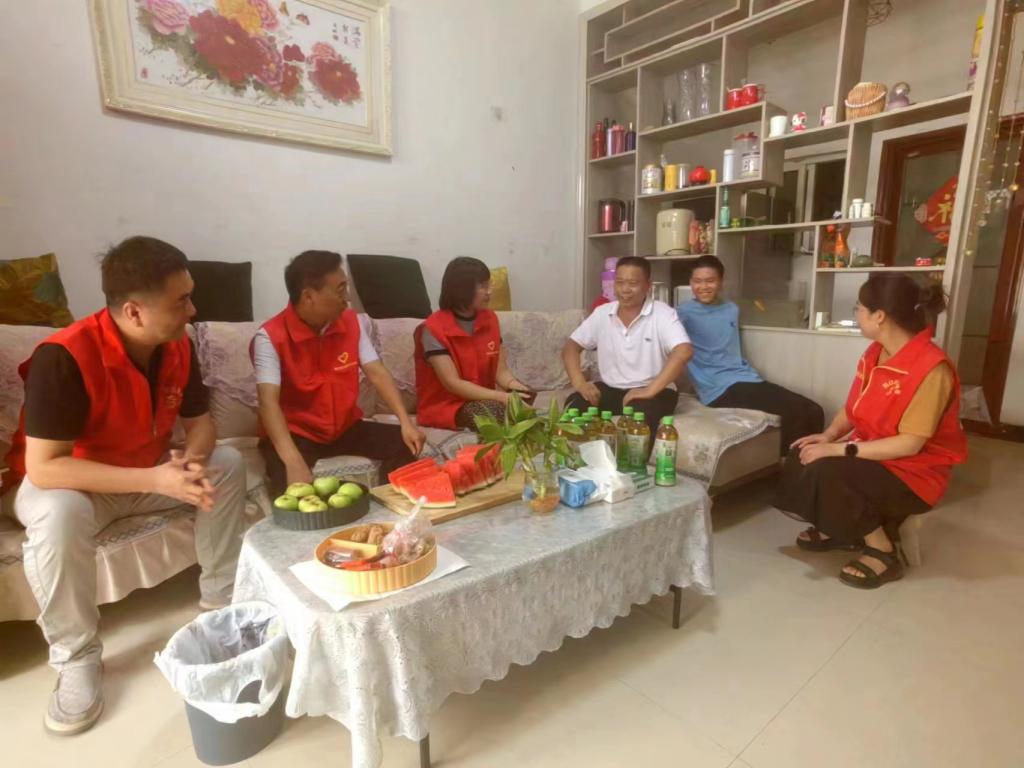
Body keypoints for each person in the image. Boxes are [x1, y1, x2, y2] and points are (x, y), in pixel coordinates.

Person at [0, 236, 247, 735]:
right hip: (73, 486)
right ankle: (75, 657)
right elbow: (45, 468)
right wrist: (156, 479)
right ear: (134, 312)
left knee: (227, 462)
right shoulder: (64, 356)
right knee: (60, 511)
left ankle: (221, 599)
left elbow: (201, 426)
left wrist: (190, 463)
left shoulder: (177, 346)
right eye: (182, 301)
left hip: (140, 472)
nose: (193, 311)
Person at [774, 273, 967, 589]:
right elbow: (853, 408)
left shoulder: (932, 369)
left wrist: (839, 449)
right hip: (876, 454)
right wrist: (828, 436)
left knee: (827, 470)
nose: (856, 314)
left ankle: (883, 552)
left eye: (859, 308)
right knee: (802, 452)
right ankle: (843, 529)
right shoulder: (875, 353)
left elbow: (910, 445)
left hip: (914, 473)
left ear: (879, 316)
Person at [254, 251, 425, 496]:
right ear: (309, 296)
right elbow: (268, 403)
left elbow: (376, 372)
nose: (348, 298)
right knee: (288, 487)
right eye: (341, 289)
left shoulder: (351, 322)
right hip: (297, 433)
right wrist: (293, 461)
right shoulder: (270, 337)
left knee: (405, 444)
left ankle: (388, 510)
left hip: (344, 428)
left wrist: (406, 422)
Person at [677, 255, 824, 453]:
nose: (703, 287)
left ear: (721, 281)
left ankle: (806, 463)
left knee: (814, 410)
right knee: (797, 413)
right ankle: (791, 465)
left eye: (710, 281)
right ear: (690, 282)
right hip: (717, 389)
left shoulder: (731, 309)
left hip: (746, 378)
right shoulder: (682, 314)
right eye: (697, 281)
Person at [562, 256, 693, 432]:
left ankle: (629, 452)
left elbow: (684, 351)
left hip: (655, 391)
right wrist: (580, 383)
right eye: (620, 282)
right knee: (575, 408)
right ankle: (586, 451)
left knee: (637, 420)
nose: (625, 289)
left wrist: (649, 390)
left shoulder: (663, 314)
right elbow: (571, 347)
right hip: (611, 389)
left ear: (647, 285)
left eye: (632, 283)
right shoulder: (602, 313)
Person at [414, 257, 533, 431]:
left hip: (483, 398)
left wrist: (514, 387)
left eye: (489, 285)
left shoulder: (490, 318)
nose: (489, 292)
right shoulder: (432, 329)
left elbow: (501, 372)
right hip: (447, 406)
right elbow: (452, 383)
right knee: (496, 413)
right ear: (462, 290)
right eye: (483, 286)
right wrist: (501, 397)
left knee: (526, 401)